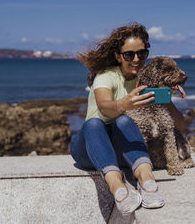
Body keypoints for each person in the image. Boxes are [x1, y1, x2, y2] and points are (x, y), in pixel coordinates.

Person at [71, 23, 185, 215]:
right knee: (94, 123)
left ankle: (148, 184)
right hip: (90, 148)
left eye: (142, 53)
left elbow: (180, 126)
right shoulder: (106, 77)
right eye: (129, 55)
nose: (136, 59)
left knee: (124, 122)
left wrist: (166, 97)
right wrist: (124, 104)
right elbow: (104, 107)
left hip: (120, 150)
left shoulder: (145, 81)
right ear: (118, 56)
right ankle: (119, 189)